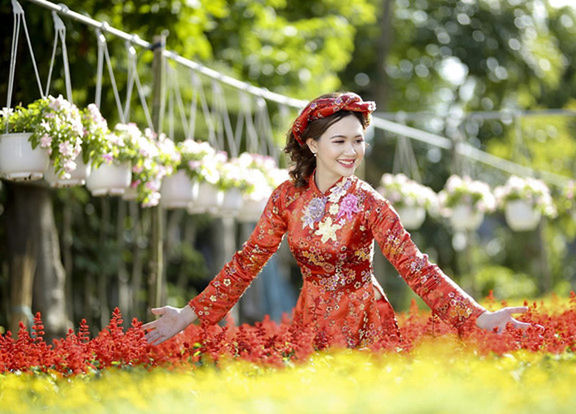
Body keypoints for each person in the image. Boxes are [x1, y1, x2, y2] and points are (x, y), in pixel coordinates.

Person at [144, 92, 533, 347]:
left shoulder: (370, 204)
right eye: (340, 141)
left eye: (358, 140)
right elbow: (246, 263)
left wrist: (480, 318)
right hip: (309, 321)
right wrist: (186, 316)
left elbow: (417, 268)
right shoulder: (286, 198)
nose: (352, 151)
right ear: (312, 145)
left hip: (366, 321)